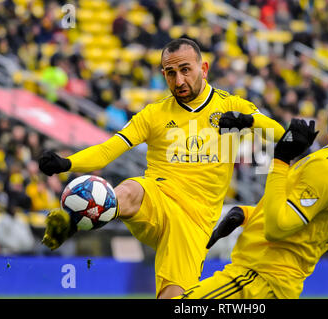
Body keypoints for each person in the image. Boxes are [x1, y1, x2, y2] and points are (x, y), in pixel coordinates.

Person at [38, 38, 285, 299]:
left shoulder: (230, 106)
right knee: (132, 188)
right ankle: (73, 222)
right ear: (163, 74)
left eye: (185, 70)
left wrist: (247, 121)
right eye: (170, 73)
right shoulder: (153, 114)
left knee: (174, 298)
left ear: (204, 68)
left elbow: (278, 133)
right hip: (157, 196)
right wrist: (67, 163)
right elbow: (108, 150)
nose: (178, 81)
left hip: (194, 222)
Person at [177, 75, 328, 299]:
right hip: (271, 283)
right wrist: (249, 214)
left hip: (258, 280)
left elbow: (277, 227)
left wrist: (280, 160)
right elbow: (305, 224)